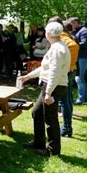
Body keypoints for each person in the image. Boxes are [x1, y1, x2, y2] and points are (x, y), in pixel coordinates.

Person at [20, 22, 70, 156]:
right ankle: (38, 142)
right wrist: (28, 76)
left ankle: (53, 151)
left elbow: (55, 72)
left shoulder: (58, 49)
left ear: (48, 34)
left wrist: (48, 93)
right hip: (50, 85)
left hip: (53, 86)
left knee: (50, 119)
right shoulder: (55, 46)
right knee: (37, 113)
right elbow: (45, 68)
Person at [48, 17, 79, 137]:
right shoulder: (62, 37)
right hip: (67, 72)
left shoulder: (66, 40)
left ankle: (67, 128)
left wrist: (69, 65)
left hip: (65, 73)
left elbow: (73, 47)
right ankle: (67, 127)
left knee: (65, 101)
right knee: (67, 100)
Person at [68, 17, 87, 105]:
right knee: (81, 78)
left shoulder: (84, 31)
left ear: (75, 23)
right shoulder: (75, 31)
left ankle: (80, 100)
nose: (70, 26)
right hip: (78, 57)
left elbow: (85, 43)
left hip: (83, 58)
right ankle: (84, 99)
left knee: (79, 78)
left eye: (71, 23)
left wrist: (71, 45)